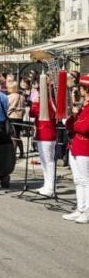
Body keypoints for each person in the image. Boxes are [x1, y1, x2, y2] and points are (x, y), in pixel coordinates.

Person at [63, 74, 89, 223]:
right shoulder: (83, 106)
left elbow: (84, 127)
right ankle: (80, 208)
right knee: (78, 180)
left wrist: (73, 121)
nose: (79, 90)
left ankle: (87, 211)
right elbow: (70, 125)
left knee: (86, 180)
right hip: (75, 145)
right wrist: (70, 119)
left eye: (81, 87)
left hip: (85, 146)